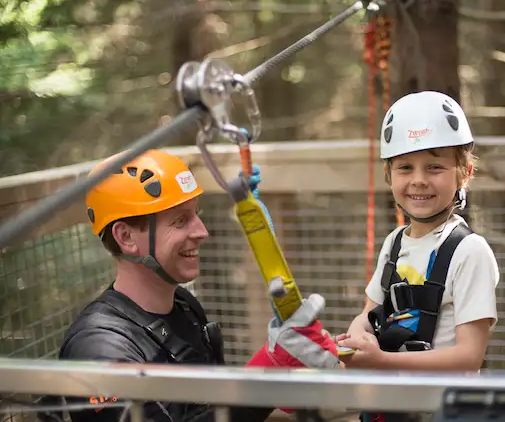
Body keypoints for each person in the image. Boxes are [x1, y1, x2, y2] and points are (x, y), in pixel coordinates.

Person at [52, 149, 339, 422]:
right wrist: (268, 377)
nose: (202, 231)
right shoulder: (100, 349)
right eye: (180, 221)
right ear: (126, 236)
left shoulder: (184, 307)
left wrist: (283, 369)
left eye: (196, 214)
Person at [338, 90, 499, 374]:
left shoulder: (469, 252)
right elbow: (370, 315)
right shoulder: (394, 243)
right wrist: (357, 337)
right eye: (405, 168)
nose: (419, 180)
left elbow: (469, 356)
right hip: (392, 406)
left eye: (435, 167)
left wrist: (382, 361)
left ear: (465, 173)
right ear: (389, 175)